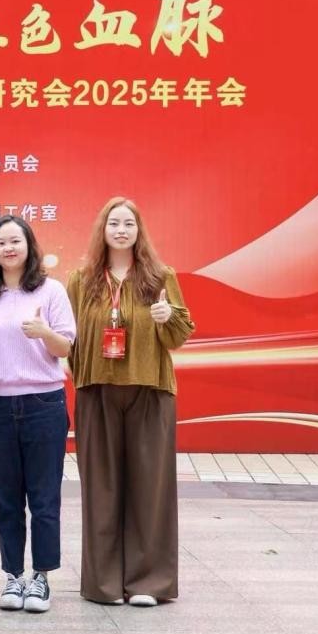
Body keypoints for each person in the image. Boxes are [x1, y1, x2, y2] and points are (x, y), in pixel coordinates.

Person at [66, 196, 194, 607]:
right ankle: (103, 584)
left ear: (139, 231)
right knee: (100, 490)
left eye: (129, 224)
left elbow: (179, 335)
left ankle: (148, 583)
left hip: (150, 390)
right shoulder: (82, 280)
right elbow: (68, 338)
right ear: (102, 230)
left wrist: (166, 319)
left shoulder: (160, 276)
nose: (121, 231)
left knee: (149, 490)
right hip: (97, 392)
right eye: (114, 223)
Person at [0, 215, 76, 613]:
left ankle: (41, 577)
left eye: (15, 241)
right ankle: (13, 576)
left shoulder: (51, 290)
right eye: (1, 243)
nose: (8, 248)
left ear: (29, 245)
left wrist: (44, 333)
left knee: (44, 497)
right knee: (6, 499)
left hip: (43, 404)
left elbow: (65, 347)